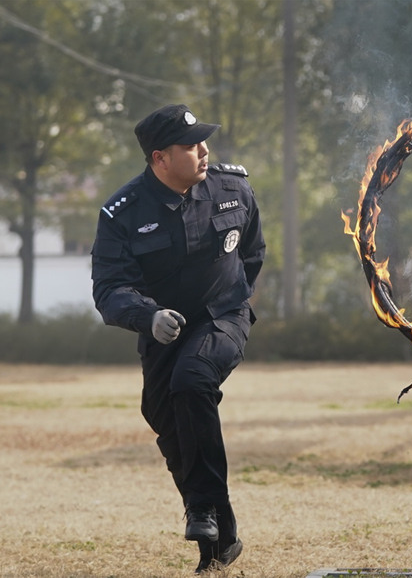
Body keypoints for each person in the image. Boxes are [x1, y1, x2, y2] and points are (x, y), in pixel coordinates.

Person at [91, 103, 265, 573]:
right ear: (159, 158)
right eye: (190, 146)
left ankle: (203, 510)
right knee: (163, 412)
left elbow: (251, 253)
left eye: (204, 141)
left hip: (223, 316)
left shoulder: (233, 187)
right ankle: (221, 529)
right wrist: (148, 316)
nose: (204, 151)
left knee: (192, 379)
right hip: (162, 328)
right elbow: (109, 287)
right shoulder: (122, 213)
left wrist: (237, 304)